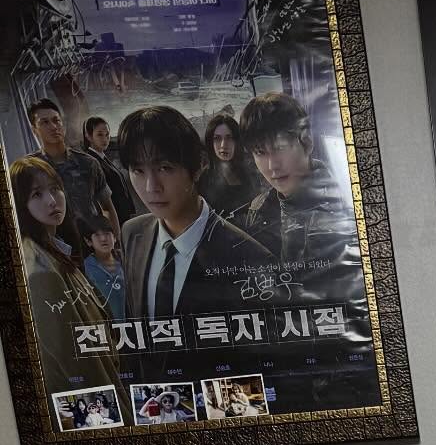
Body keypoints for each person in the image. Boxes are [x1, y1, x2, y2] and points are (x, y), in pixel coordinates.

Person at [116, 105, 273, 319]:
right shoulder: (132, 233)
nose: (151, 187)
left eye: (165, 168)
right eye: (138, 171)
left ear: (199, 166)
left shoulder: (251, 258)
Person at [9, 155, 125, 409]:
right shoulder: (40, 270)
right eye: (37, 194)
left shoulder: (54, 248)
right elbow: (72, 362)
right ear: (20, 203)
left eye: (55, 188)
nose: (52, 200)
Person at [237, 92, 357, 302]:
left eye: (280, 148)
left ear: (307, 142)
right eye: (261, 152)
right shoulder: (259, 208)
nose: (272, 166)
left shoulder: (345, 207)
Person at [27, 98, 119, 242]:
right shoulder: (30, 168)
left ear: (62, 124)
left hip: (93, 244)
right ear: (34, 130)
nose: (53, 126)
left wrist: (116, 242)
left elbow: (107, 207)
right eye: (44, 122)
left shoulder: (88, 163)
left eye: (56, 120)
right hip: (57, 246)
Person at [197, 111, 261, 220]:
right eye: (217, 138)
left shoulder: (250, 174)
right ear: (210, 142)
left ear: (237, 141)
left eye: (229, 137)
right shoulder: (204, 180)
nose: (223, 145)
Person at [81, 116, 136, 227]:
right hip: (114, 220)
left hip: (124, 218)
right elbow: (100, 200)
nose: (105, 139)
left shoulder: (103, 158)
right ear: (88, 136)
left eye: (107, 134)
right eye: (100, 135)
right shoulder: (91, 162)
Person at [81, 220, 126, 323]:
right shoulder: (85, 268)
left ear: (114, 237)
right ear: (88, 241)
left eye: (107, 234)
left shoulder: (126, 261)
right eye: (97, 235)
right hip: (105, 323)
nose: (103, 239)